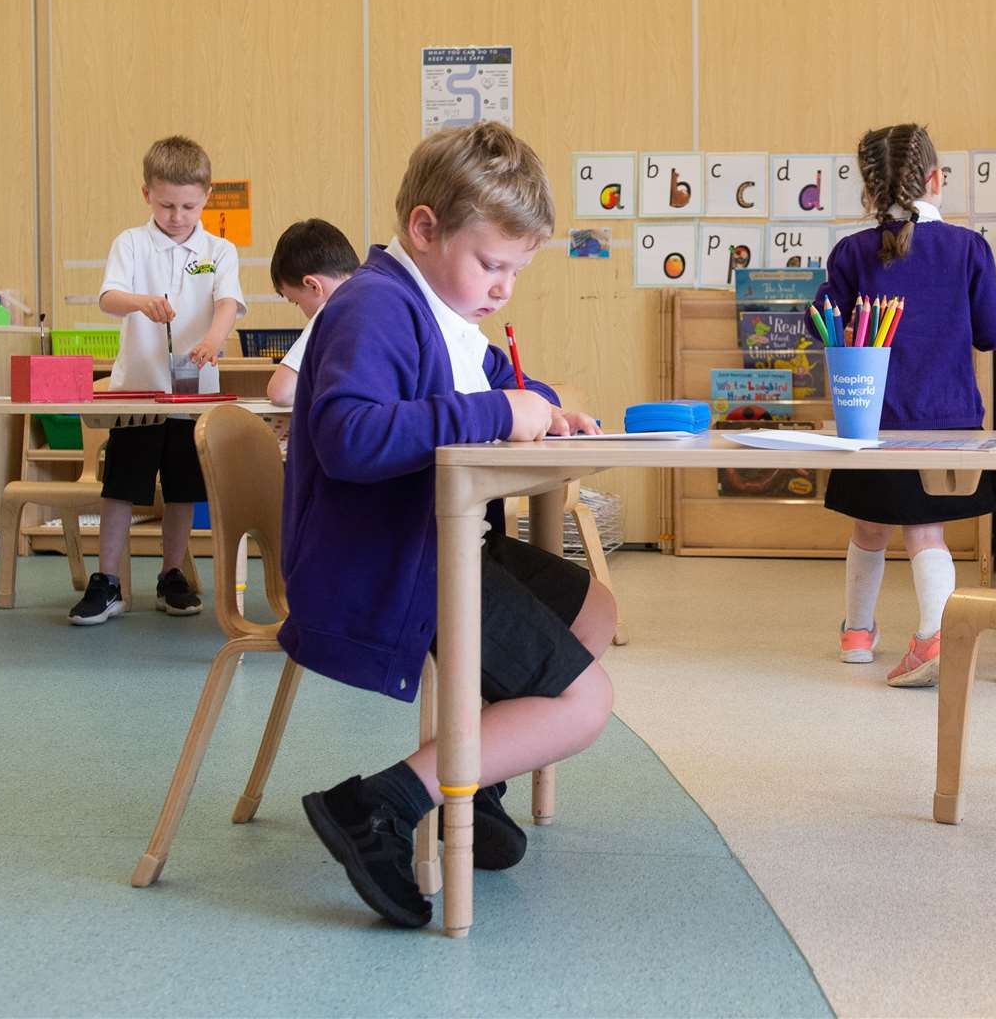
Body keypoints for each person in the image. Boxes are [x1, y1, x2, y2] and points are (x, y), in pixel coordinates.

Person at [282, 121, 615, 927]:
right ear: (424, 229)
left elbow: (492, 383)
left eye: (514, 270)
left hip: (434, 542)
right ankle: (381, 804)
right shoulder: (377, 308)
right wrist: (500, 410)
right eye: (491, 264)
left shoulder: (442, 312)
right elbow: (348, 435)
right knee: (583, 704)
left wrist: (548, 413)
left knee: (594, 608)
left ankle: (473, 776)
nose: (502, 288)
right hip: (382, 563)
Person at [815, 123, 996, 687]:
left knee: (869, 528)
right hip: (948, 419)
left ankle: (857, 631)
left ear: (869, 190)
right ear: (935, 179)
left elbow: (824, 326)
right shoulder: (967, 246)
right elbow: (991, 336)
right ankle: (935, 633)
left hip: (874, 418)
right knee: (926, 531)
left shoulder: (852, 251)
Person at [70, 136, 244, 626]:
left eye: (188, 205)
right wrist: (140, 302)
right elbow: (108, 297)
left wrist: (212, 339)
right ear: (146, 194)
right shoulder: (130, 243)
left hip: (193, 397)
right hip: (137, 391)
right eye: (166, 204)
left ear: (206, 196)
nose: (177, 215)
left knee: (184, 488)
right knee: (122, 486)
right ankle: (107, 581)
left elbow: (227, 302)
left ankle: (172, 574)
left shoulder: (220, 250)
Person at [265, 219, 359, 406]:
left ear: (313, 285)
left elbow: (281, 392)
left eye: (296, 302)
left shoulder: (336, 307)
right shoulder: (381, 293)